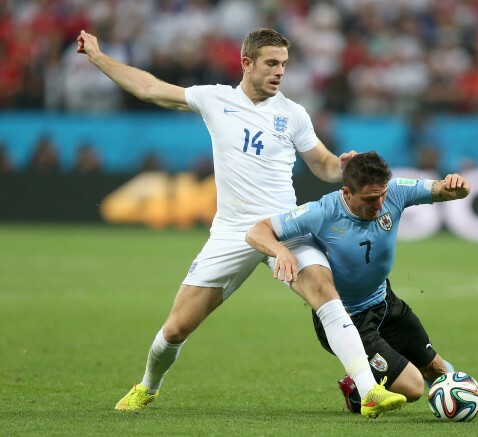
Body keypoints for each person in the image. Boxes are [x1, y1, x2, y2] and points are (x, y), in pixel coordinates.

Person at [76, 28, 405, 417]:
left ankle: (369, 392)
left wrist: (342, 167)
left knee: (323, 289)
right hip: (232, 231)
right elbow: (148, 88)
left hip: (285, 225)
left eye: (284, 64)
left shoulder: (293, 114)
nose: (280, 72)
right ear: (246, 64)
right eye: (271, 63)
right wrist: (98, 57)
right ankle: (147, 387)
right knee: (177, 328)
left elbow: (324, 164)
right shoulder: (214, 99)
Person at [246, 151, 478, 416]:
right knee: (414, 388)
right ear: (347, 193)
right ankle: (356, 390)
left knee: (436, 369)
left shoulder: (395, 192)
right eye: (369, 199)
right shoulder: (323, 211)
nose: (379, 205)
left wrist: (459, 186)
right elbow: (257, 231)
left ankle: (473, 404)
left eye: (382, 195)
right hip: (348, 321)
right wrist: (281, 251)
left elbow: (446, 190)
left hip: (385, 303)